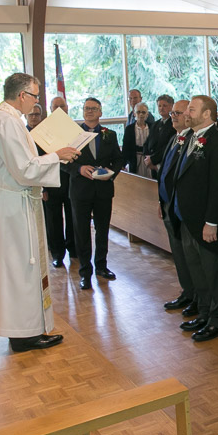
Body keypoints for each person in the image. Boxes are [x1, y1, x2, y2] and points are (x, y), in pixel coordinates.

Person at [0, 73, 79, 352]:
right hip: (15, 203)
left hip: (12, 201)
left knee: (19, 267)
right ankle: (24, 334)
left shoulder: (3, 118)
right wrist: (56, 156)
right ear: (22, 95)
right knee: (21, 267)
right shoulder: (7, 122)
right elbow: (24, 169)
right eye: (35, 96)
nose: (37, 103)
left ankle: (26, 330)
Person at [174, 96, 218, 342]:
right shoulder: (192, 136)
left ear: (207, 114)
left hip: (208, 222)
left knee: (215, 272)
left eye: (192, 108)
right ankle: (205, 313)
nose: (187, 112)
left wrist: (212, 222)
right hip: (189, 219)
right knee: (198, 272)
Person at [68, 97, 125, 290]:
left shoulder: (110, 134)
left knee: (102, 230)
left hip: (103, 190)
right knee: (82, 231)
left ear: (100, 112)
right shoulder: (74, 135)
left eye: (93, 108)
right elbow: (64, 162)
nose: (89, 111)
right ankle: (85, 272)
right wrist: (79, 168)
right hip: (80, 191)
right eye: (86, 108)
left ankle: (102, 266)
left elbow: (119, 160)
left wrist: (110, 174)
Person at [158, 100, 198, 314]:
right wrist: (161, 201)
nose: (173, 116)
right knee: (178, 254)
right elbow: (164, 172)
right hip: (168, 205)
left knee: (189, 255)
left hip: (183, 208)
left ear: (189, 116)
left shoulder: (194, 140)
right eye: (172, 113)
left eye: (178, 113)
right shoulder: (175, 138)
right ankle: (187, 291)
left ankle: (197, 297)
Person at [43, 97, 76, 268]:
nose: (59, 108)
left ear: (67, 108)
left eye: (62, 106)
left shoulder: (75, 129)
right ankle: (57, 254)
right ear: (50, 109)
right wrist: (42, 187)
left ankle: (74, 249)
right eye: (55, 106)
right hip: (52, 182)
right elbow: (39, 160)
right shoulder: (44, 131)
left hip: (72, 182)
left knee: (73, 218)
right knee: (54, 221)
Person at [144, 94, 175, 180]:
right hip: (152, 163)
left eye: (164, 106)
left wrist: (153, 159)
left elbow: (169, 146)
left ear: (171, 107)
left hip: (165, 163)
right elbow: (147, 142)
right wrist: (147, 158)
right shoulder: (155, 124)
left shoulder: (174, 124)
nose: (161, 108)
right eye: (159, 106)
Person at [122, 101, 152, 178]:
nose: (141, 114)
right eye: (138, 112)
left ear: (147, 114)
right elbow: (126, 147)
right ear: (134, 113)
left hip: (149, 160)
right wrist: (123, 164)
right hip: (135, 159)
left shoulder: (152, 127)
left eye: (143, 112)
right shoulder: (129, 129)